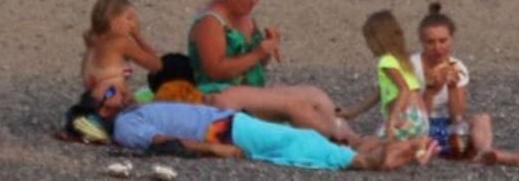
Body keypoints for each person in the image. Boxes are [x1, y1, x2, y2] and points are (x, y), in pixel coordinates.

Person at [189, 0, 355, 143]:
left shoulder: (245, 16)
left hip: (251, 90)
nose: (253, 3)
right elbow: (215, 70)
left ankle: (348, 135)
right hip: (220, 91)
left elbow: (258, 63)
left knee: (313, 94)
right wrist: (257, 54)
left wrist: (267, 47)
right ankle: (336, 140)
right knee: (295, 105)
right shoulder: (211, 22)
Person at [95, 82, 418, 171]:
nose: (120, 91)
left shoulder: (136, 110)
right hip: (221, 131)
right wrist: (214, 149)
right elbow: (161, 142)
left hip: (226, 123)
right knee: (290, 140)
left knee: (285, 141)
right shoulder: (126, 124)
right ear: (102, 109)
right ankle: (362, 160)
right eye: (109, 92)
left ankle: (369, 151)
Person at [411, 2, 519, 166]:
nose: (437, 47)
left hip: (442, 129)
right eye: (431, 42)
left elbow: (457, 117)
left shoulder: (457, 67)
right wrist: (430, 91)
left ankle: (485, 152)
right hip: (415, 131)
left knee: (482, 118)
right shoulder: (411, 68)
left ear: (452, 39)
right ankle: (512, 159)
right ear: (421, 42)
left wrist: (453, 88)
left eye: (443, 41)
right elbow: (413, 118)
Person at [339, 10, 434, 158]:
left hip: (404, 119)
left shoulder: (386, 61)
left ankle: (413, 146)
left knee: (368, 147)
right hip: (421, 121)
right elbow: (379, 93)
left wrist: (392, 119)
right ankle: (417, 146)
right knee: (387, 144)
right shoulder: (403, 60)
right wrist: (353, 112)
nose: (368, 45)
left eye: (368, 40)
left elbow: (404, 90)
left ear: (377, 39)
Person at [82, 0, 164, 102]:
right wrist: (137, 35)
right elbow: (156, 66)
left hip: (93, 99)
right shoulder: (120, 43)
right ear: (112, 20)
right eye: (129, 18)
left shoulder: (92, 39)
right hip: (111, 103)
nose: (133, 23)